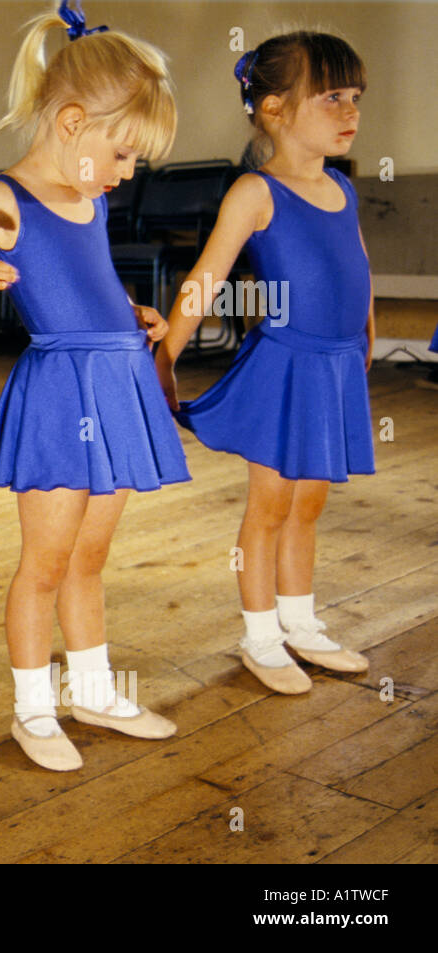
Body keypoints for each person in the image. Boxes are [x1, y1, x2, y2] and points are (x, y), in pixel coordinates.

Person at [0, 0, 185, 772]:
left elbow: (90, 280)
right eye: (122, 155)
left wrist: (132, 316)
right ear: (71, 122)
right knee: (46, 563)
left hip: (118, 383)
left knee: (90, 562)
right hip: (61, 395)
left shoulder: (86, 199)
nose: (126, 175)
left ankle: (91, 688)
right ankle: (32, 708)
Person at [156, 33, 373, 695]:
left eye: (356, 98)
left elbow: (357, 267)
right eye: (332, 96)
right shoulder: (256, 191)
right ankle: (259, 634)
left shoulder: (343, 188)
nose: (350, 111)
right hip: (285, 369)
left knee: (310, 503)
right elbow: (204, 279)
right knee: (271, 505)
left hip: (335, 367)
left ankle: (301, 623)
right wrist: (164, 356)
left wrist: (366, 335)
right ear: (275, 108)